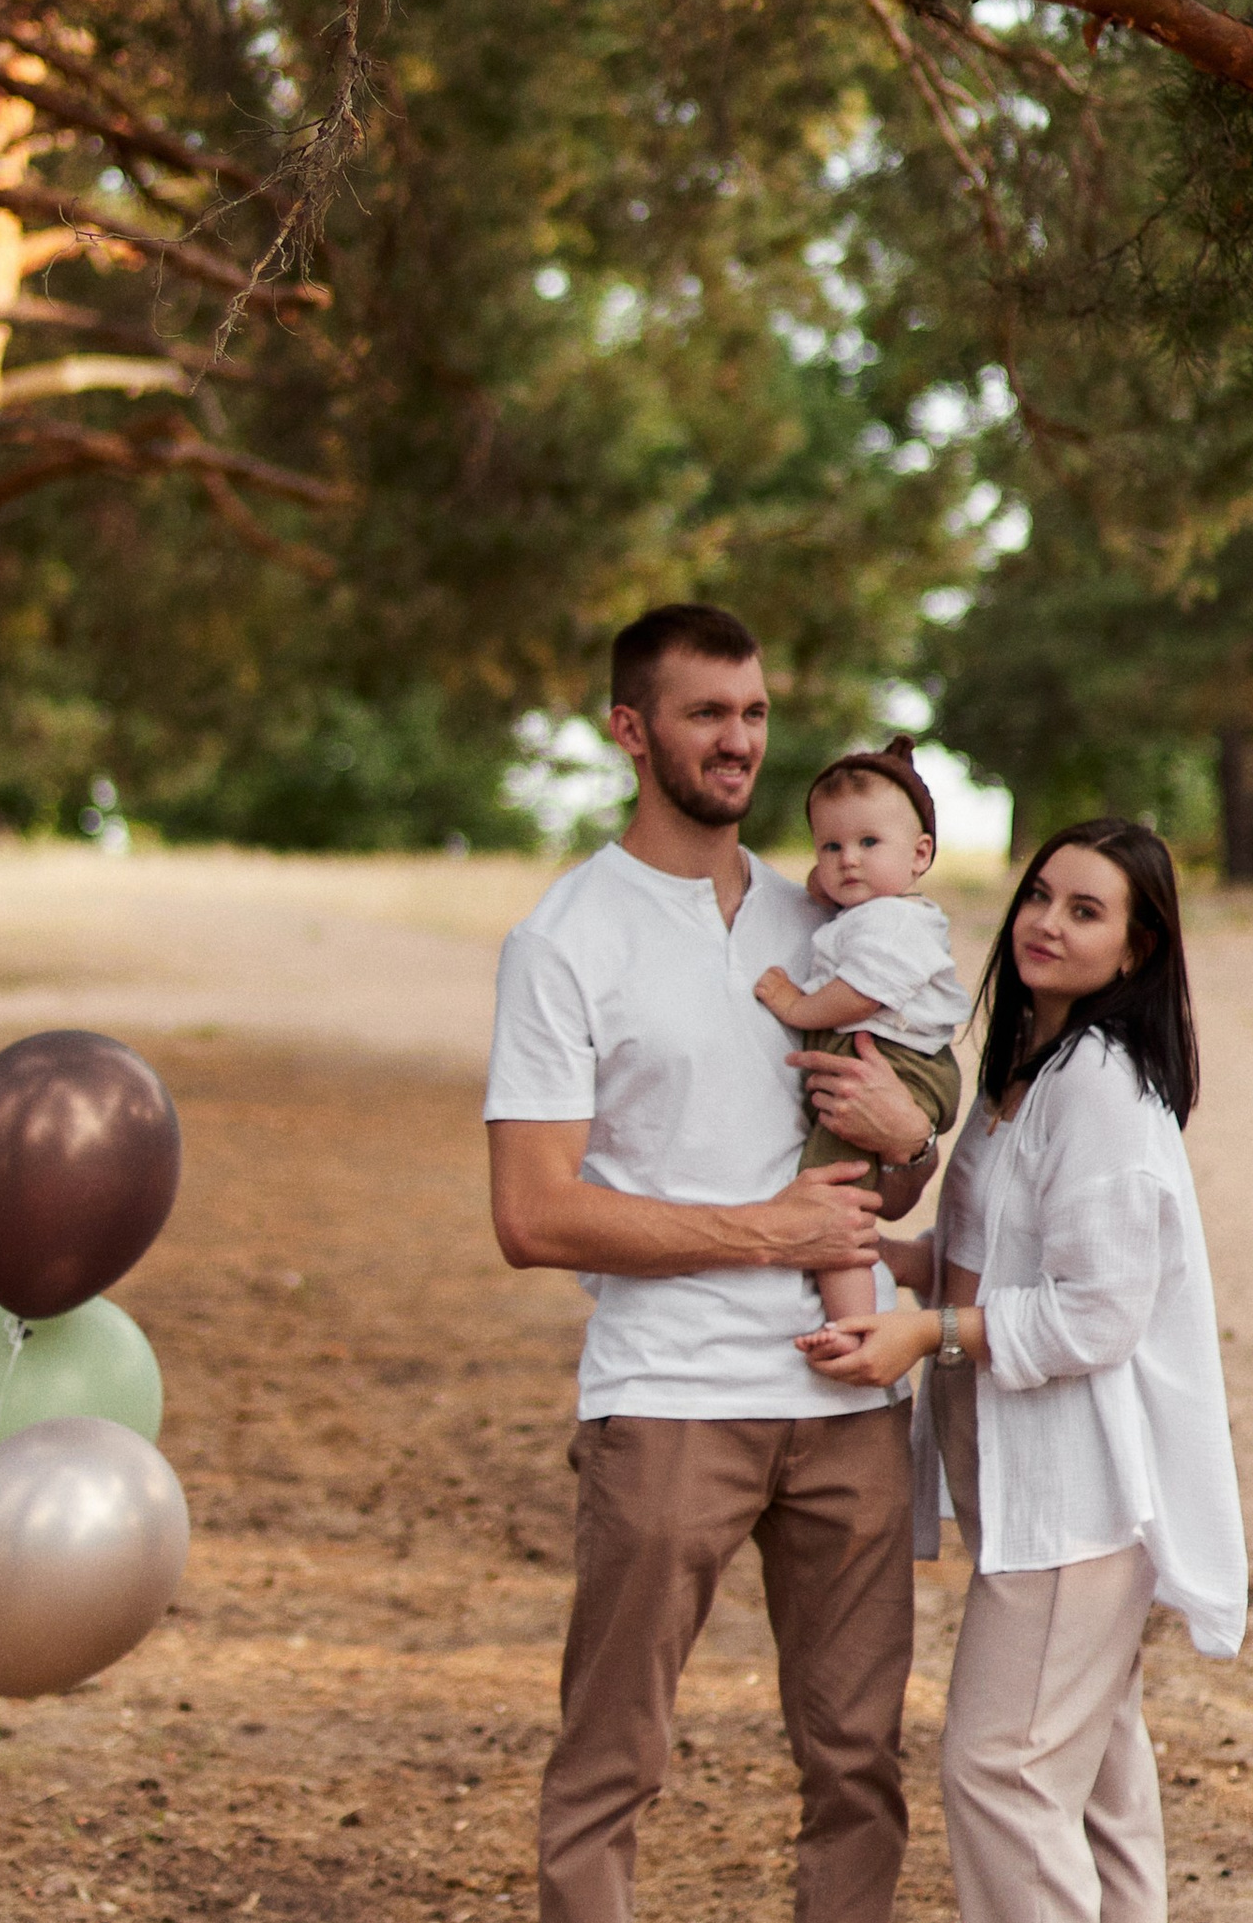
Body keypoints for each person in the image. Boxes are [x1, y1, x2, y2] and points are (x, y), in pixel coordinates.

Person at [484, 603, 942, 1923]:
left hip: (848, 1392)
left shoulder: (838, 920)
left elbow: (884, 1176)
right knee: (611, 1763)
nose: (738, 741)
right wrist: (763, 1233)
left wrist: (910, 1139)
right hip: (670, 1397)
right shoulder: (567, 939)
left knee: (858, 1766)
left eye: (753, 713)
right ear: (630, 730)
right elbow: (531, 1215)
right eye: (705, 714)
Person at [802, 818, 1246, 1923]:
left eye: (1085, 911)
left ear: (1137, 949)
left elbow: (1098, 1313)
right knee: (1093, 1773)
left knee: (1000, 1770)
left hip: (1076, 1498)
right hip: (1031, 1487)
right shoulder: (1027, 1070)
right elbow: (999, 1250)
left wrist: (925, 1336)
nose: (1046, 923)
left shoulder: (1098, 1086)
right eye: (1041, 895)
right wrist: (890, 1256)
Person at [753, 737, 969, 1329]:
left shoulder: (894, 922)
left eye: (869, 843)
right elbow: (825, 887)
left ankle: (852, 1325)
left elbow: (860, 994)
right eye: (832, 846)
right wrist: (830, 879)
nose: (848, 860)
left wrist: (797, 1006)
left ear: (920, 854)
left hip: (897, 1063)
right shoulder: (873, 911)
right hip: (890, 1057)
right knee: (839, 1190)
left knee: (831, 1195)